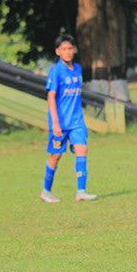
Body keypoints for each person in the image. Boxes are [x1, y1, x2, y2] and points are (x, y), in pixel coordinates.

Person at [40, 34, 97, 203]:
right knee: (56, 157)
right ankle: (46, 191)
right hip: (60, 123)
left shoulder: (78, 69)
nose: (67, 52)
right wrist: (55, 123)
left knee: (82, 150)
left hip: (77, 121)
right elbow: (51, 97)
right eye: (64, 49)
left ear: (74, 50)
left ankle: (81, 191)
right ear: (58, 51)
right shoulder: (56, 71)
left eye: (70, 48)